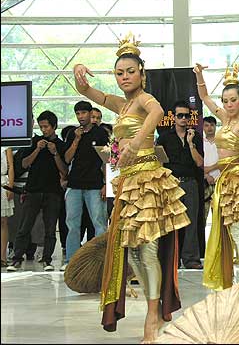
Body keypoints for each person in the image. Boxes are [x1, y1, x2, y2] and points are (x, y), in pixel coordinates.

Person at [73, 33, 191, 342]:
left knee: (148, 250)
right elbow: (89, 92)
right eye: (119, 73)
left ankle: (153, 316)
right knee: (135, 253)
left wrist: (137, 141)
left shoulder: (143, 100)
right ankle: (153, 310)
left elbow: (157, 111)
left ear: (142, 73)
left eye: (130, 71)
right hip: (128, 182)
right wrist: (79, 76)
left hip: (148, 180)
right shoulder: (122, 105)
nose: (125, 77)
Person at [194, 62, 239, 289]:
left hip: (238, 180)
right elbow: (204, 96)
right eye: (225, 101)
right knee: (228, 232)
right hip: (223, 180)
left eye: (233, 100)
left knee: (236, 232)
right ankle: (233, 278)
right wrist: (199, 75)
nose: (228, 105)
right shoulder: (222, 117)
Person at [7, 111, 68, 272]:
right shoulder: (34, 142)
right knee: (24, 225)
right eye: (41, 127)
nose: (44, 130)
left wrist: (54, 153)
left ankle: (47, 259)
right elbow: (24, 164)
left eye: (46, 126)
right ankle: (16, 259)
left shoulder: (61, 145)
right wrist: (37, 149)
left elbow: (64, 171)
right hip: (33, 189)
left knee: (49, 228)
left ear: (54, 126)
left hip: (53, 191)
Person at [157, 100, 204, 270]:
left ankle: (191, 258)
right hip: (171, 183)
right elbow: (159, 163)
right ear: (174, 117)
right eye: (180, 115)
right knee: (170, 222)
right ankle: (171, 258)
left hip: (190, 182)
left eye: (186, 115)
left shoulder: (196, 136)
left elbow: (199, 163)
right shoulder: (164, 137)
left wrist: (191, 143)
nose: (183, 118)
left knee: (191, 221)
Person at [62, 101, 109, 271]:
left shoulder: (101, 134)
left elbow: (107, 161)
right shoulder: (72, 134)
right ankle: (72, 261)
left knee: (99, 222)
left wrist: (106, 184)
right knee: (72, 223)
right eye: (78, 114)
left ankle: (102, 260)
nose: (81, 116)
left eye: (83, 113)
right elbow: (67, 159)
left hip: (95, 184)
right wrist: (76, 138)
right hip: (74, 184)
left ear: (90, 114)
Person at [202, 116, 220, 224]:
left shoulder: (221, 142)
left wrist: (210, 169)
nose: (209, 128)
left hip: (219, 181)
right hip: (204, 182)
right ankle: (202, 241)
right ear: (203, 127)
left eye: (212, 125)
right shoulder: (200, 143)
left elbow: (225, 162)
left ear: (215, 126)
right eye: (206, 125)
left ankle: (219, 241)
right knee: (202, 215)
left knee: (218, 218)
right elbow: (197, 163)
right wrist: (206, 175)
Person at [1, 147, 15, 268]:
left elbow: (11, 167)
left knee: (3, 222)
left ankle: (2, 257)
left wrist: (10, 187)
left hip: (2, 184)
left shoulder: (7, 147)